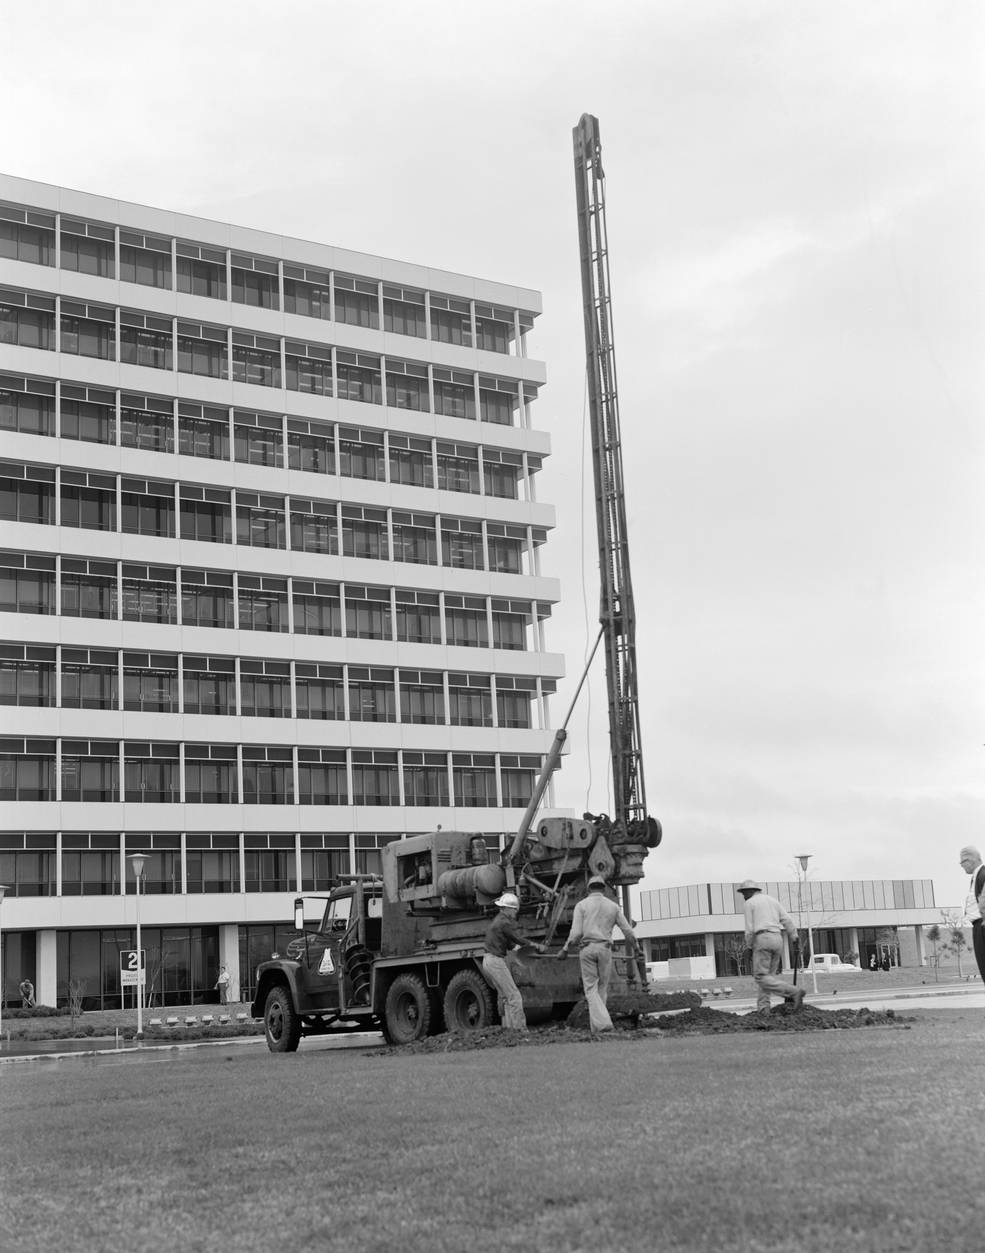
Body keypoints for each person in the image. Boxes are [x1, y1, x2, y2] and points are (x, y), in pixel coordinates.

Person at [559, 874, 639, 1035]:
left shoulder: (581, 905)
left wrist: (566, 948)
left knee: (590, 989)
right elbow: (627, 930)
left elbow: (576, 933)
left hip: (587, 948)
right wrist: (636, 947)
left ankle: (603, 1025)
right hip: (605, 949)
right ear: (603, 888)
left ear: (588, 889)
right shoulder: (613, 906)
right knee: (602, 988)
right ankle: (596, 1027)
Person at [737, 879, 805, 1012]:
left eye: (744, 893)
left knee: (761, 977)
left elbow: (750, 929)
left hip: (762, 938)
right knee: (768, 978)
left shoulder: (749, 903)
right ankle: (764, 1009)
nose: (744, 896)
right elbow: (787, 920)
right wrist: (794, 937)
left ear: (750, 891)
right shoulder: (773, 901)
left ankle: (793, 992)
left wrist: (750, 946)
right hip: (777, 938)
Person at [481, 892, 544, 1031]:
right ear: (508, 908)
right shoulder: (504, 922)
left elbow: (510, 943)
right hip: (495, 962)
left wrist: (522, 950)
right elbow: (517, 938)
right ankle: (521, 1030)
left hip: (488, 960)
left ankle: (509, 1028)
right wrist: (535, 945)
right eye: (515, 910)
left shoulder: (498, 920)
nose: (516, 913)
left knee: (505, 996)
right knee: (514, 996)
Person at [959, 844, 985, 987]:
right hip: (978, 927)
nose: (961, 866)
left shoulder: (983, 874)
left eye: (962, 862)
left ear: (970, 860)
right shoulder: (977, 876)